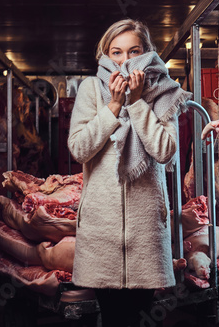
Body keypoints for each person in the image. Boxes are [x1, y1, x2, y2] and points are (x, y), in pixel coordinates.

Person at [68, 19, 191, 327]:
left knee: (140, 317)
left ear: (146, 52)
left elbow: (165, 151)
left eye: (133, 51)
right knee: (111, 318)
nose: (124, 61)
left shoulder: (164, 92)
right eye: (117, 52)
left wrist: (136, 103)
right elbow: (79, 149)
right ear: (105, 54)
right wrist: (112, 106)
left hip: (146, 228)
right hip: (101, 229)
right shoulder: (90, 90)